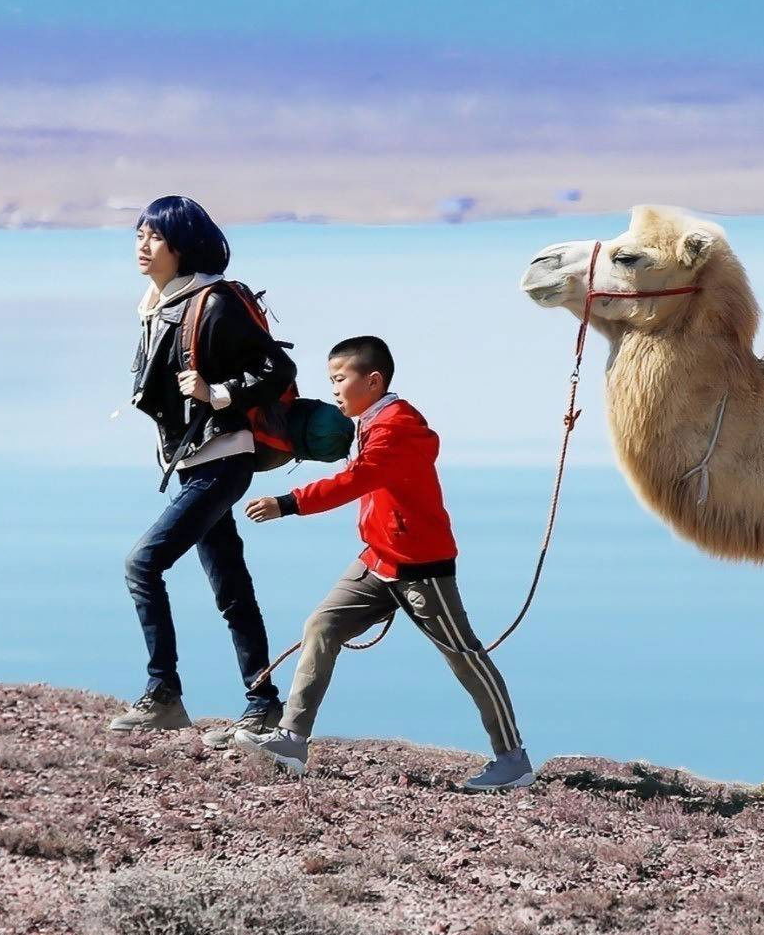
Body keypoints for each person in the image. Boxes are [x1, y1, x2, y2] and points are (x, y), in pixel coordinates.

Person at [235, 336, 533, 790]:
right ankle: (292, 740)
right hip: (378, 559)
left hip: (420, 566)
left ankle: (513, 759)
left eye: (340, 378)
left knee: (464, 656)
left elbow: (358, 479)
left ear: (373, 382)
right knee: (322, 626)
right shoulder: (373, 422)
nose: (333, 388)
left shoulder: (397, 427)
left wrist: (288, 503)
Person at [109, 196, 294, 748]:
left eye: (155, 237)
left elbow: (278, 367)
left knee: (142, 564)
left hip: (223, 459)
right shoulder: (163, 304)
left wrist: (219, 394)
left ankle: (163, 693)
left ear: (182, 246)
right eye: (139, 235)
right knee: (230, 585)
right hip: (198, 464)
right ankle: (262, 703)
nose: (143, 246)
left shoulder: (213, 301)